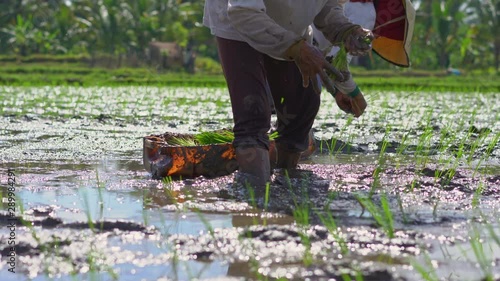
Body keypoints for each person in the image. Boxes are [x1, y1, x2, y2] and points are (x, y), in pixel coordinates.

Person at [203, 0, 373, 187]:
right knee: (253, 109)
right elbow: (243, 11)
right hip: (238, 18)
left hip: (288, 22)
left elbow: (326, 5)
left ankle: (286, 183)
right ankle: (254, 193)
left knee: (303, 105)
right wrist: (295, 49)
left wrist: (345, 30)